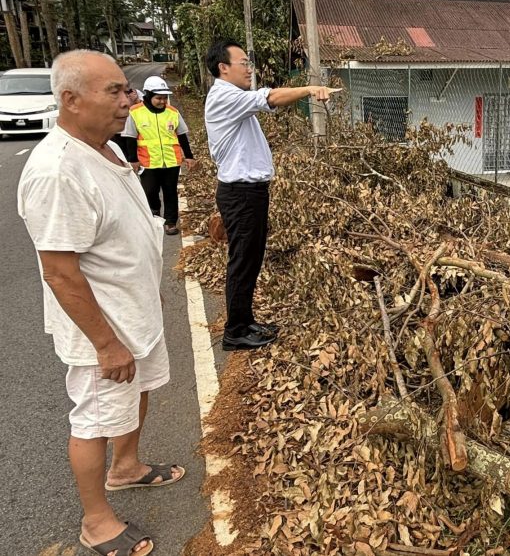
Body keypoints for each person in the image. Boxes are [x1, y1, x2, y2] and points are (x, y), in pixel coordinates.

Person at [17, 50, 184, 556]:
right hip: (103, 327)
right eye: (113, 91)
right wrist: (106, 344)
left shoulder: (106, 149)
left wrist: (147, 284)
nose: (128, 99)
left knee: (142, 388)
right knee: (93, 419)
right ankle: (95, 521)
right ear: (69, 100)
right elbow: (61, 272)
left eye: (125, 89)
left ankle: (127, 467)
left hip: (135, 311)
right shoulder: (58, 171)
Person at [204, 39, 339, 351]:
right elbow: (272, 97)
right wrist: (309, 90)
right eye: (243, 63)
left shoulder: (233, 96)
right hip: (241, 193)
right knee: (242, 261)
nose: (249, 68)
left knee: (249, 260)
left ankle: (245, 321)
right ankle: (235, 331)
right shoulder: (224, 95)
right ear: (223, 68)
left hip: (247, 192)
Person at [123, 76, 197, 236]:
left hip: (171, 161)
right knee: (150, 190)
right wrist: (133, 160)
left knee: (170, 192)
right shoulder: (135, 113)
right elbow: (130, 138)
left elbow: (182, 135)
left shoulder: (173, 112)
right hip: (148, 162)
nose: (163, 101)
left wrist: (189, 156)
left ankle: (170, 222)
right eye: (159, 98)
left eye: (165, 98)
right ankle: (155, 211)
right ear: (148, 95)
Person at [110, 85, 142, 157]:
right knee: (121, 154)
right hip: (118, 132)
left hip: (132, 131)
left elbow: (146, 107)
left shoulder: (137, 94)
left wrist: (137, 100)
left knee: (132, 152)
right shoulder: (112, 96)